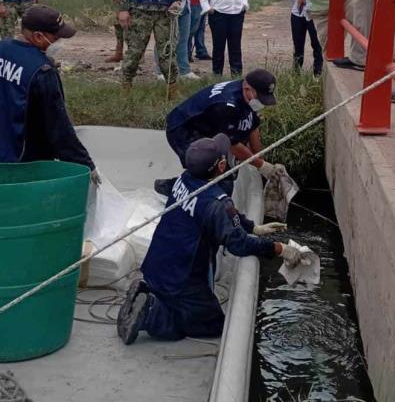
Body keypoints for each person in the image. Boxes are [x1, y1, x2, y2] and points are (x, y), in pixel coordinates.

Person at [117, 133, 305, 344]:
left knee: (186, 305)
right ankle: (152, 314)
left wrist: (253, 227)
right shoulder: (216, 202)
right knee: (211, 325)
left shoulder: (184, 179)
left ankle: (148, 292)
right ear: (222, 166)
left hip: (157, 264)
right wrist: (279, 249)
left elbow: (222, 216)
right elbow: (239, 244)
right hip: (183, 277)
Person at [0, 4, 96, 176]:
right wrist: (85, 164)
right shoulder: (41, 70)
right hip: (26, 162)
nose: (59, 43)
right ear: (38, 36)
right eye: (56, 38)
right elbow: (58, 125)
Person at [156, 69, 282, 196]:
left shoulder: (246, 95)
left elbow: (253, 127)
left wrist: (260, 159)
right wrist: (262, 166)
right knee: (211, 173)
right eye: (260, 98)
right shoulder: (228, 105)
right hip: (183, 129)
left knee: (223, 177)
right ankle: (170, 188)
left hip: (207, 126)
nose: (261, 103)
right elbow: (233, 146)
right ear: (247, 88)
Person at [288, 0, 322, 74]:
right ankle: (296, 73)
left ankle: (317, 74)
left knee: (317, 45)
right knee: (298, 46)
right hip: (297, 14)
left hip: (313, 14)